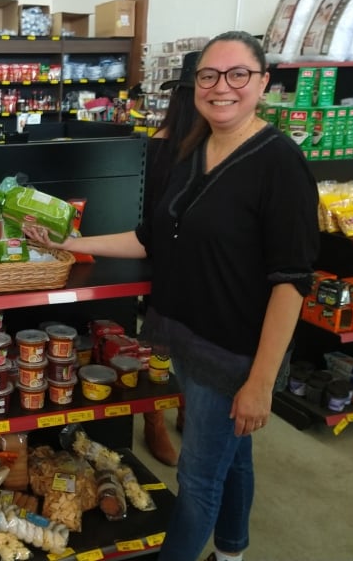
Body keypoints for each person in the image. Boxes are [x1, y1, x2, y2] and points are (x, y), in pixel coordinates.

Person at [25, 31, 319, 561]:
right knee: (235, 457)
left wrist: (259, 383)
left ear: (263, 83)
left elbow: (291, 282)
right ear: (194, 85)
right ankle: (232, 552)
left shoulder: (280, 165)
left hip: (231, 354)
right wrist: (69, 242)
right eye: (208, 75)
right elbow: (149, 238)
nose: (221, 87)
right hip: (187, 337)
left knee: (199, 477)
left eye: (237, 75)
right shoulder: (194, 150)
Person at [140, 49, 202, 467]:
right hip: (163, 262)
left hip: (203, 265)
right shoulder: (158, 149)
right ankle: (153, 418)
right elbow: (144, 213)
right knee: (161, 344)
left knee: (195, 349)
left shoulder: (217, 148)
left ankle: (185, 409)